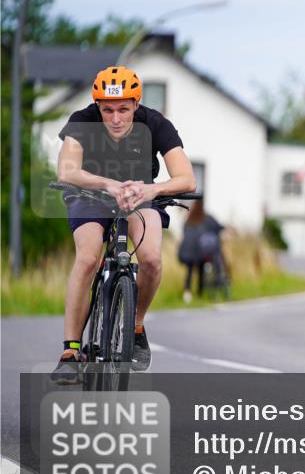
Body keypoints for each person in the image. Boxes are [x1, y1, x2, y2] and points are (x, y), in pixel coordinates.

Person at [50, 65, 196, 383]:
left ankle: (136, 325)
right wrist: (107, 185)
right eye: (108, 110)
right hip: (90, 194)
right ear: (97, 106)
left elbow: (186, 177)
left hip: (140, 196)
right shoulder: (82, 120)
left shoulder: (155, 123)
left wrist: (153, 188)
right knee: (88, 256)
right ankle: (70, 352)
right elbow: (67, 170)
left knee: (152, 259)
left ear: (136, 104)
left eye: (123, 109)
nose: (116, 118)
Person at [178, 199, 224, 302]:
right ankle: (200, 293)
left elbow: (184, 233)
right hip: (199, 252)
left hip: (187, 252)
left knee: (189, 272)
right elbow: (218, 227)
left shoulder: (189, 219)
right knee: (200, 272)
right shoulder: (206, 218)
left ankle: (187, 293)